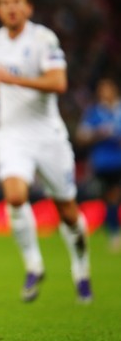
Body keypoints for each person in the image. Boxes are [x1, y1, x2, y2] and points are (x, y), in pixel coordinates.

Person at [0, 0, 92, 303]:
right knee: (14, 195)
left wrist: (14, 79)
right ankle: (34, 265)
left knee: (67, 210)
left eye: (17, 1)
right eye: (5, 2)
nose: (11, 7)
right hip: (11, 133)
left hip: (47, 133)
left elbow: (59, 82)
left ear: (28, 7)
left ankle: (81, 268)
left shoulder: (43, 38)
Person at [76, 77, 121, 252]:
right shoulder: (94, 112)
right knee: (111, 199)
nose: (105, 92)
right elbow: (81, 136)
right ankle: (114, 235)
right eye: (102, 89)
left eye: (108, 88)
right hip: (104, 164)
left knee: (115, 197)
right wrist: (98, 133)